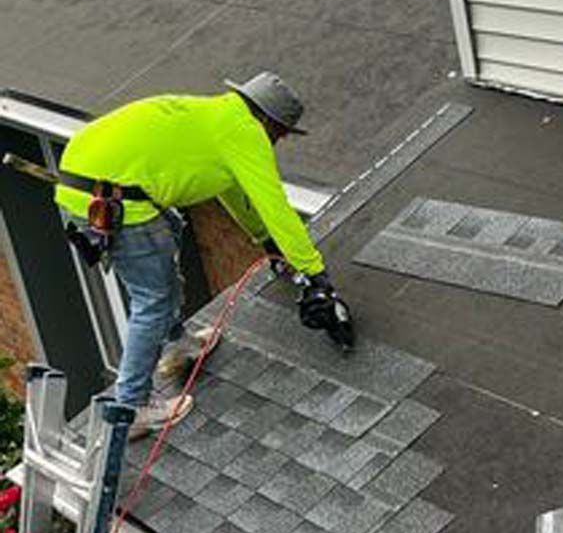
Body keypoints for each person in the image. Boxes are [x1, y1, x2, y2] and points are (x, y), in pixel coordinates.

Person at [55, 71, 350, 440]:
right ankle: (130, 409)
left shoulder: (218, 116)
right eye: (281, 133)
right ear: (269, 121)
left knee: (171, 228)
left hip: (87, 182)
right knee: (153, 301)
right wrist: (315, 273)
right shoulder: (245, 132)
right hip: (113, 201)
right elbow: (275, 206)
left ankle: (178, 345)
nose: (278, 141)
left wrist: (265, 240)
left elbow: (233, 191)